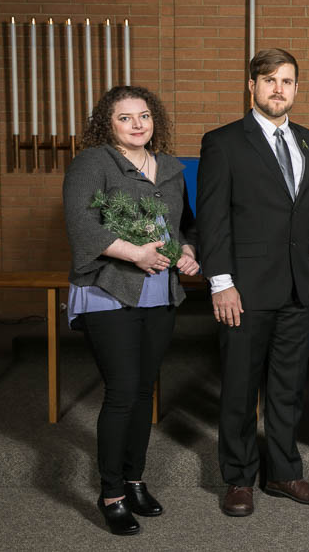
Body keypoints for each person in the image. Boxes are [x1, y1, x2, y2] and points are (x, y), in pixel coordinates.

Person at [197, 48, 309, 518]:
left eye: (287, 81)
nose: (279, 89)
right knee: (239, 387)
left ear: (297, 88)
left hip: (300, 287)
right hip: (244, 288)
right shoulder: (223, 142)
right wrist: (221, 282)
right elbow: (213, 221)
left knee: (287, 388)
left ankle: (284, 472)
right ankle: (238, 479)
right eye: (269, 80)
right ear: (252, 86)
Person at [63, 85, 200, 536]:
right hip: (110, 290)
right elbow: (82, 225)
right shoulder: (93, 163)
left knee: (144, 391)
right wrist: (134, 253)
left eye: (144, 115)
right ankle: (111, 494)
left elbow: (185, 226)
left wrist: (188, 253)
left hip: (160, 293)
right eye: (126, 117)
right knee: (122, 390)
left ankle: (135, 480)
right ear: (108, 123)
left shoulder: (171, 169)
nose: (138, 124)